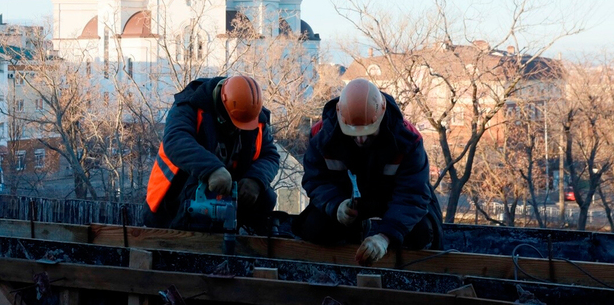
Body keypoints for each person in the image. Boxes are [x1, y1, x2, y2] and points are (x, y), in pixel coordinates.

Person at [295, 78, 443, 265]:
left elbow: (412, 194)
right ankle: (356, 228)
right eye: (354, 133)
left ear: (381, 116)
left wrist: (385, 237)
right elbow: (315, 180)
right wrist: (336, 205)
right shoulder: (322, 136)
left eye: (368, 132)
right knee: (314, 229)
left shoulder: (407, 140)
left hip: (393, 200)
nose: (361, 140)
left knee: (422, 233)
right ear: (341, 119)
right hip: (347, 199)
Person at [144, 75, 280, 232]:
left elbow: (270, 156)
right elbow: (176, 140)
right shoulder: (190, 104)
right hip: (174, 199)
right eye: (235, 124)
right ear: (223, 107)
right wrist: (212, 170)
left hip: (229, 193)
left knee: (267, 197)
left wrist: (256, 179)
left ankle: (248, 242)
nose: (238, 129)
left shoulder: (252, 116)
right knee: (200, 193)